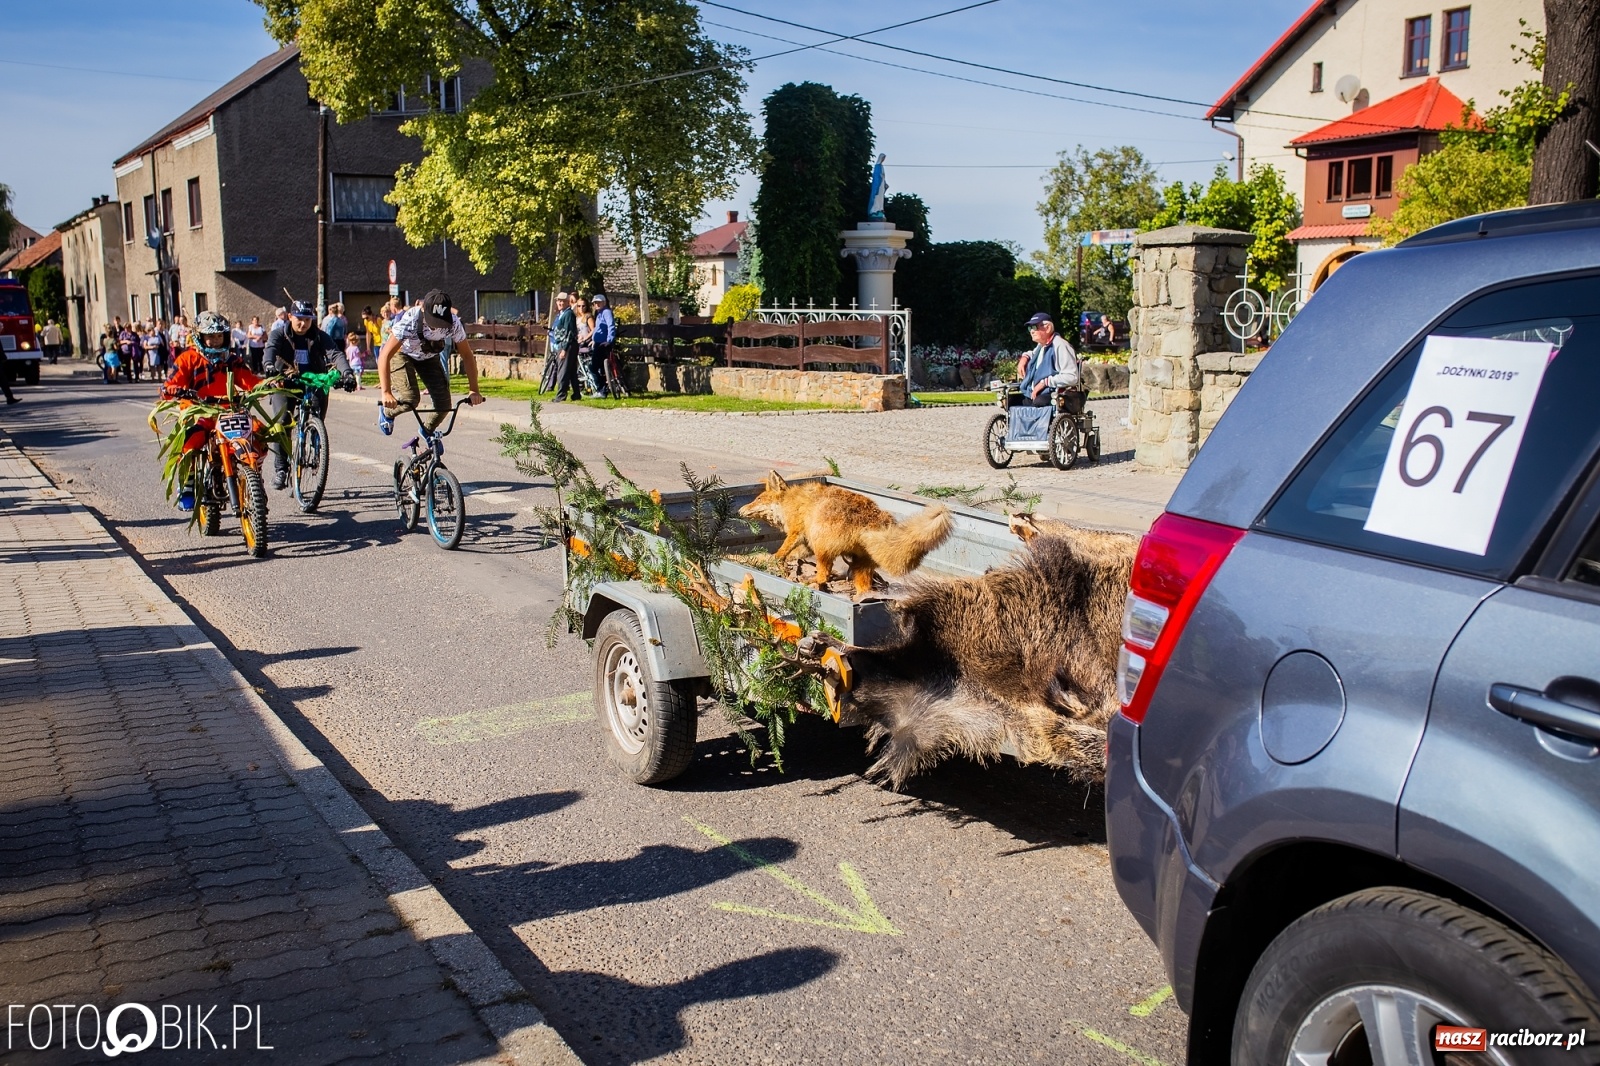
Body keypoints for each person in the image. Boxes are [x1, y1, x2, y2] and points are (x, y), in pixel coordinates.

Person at [159, 310, 264, 510]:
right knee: (191, 440)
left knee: (257, 434)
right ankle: (188, 486)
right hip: (199, 412)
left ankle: (254, 482)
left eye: (219, 336)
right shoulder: (187, 359)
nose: (215, 341)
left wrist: (268, 385)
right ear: (200, 337)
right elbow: (171, 384)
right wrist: (174, 390)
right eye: (210, 336)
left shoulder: (233, 360)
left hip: (229, 412)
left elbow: (250, 381)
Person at [263, 300, 355, 489]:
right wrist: (269, 366)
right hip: (284, 382)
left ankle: (314, 440)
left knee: (317, 416)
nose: (303, 323)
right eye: (299, 319)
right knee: (281, 423)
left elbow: (335, 354)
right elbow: (270, 350)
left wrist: (347, 373)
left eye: (307, 319)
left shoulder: (319, 336)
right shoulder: (279, 334)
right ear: (290, 317)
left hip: (314, 381)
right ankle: (281, 468)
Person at [376, 287, 484, 436]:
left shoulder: (453, 323)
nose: (436, 326)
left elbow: (467, 355)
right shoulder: (411, 319)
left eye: (440, 322)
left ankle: (427, 432)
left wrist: (474, 390)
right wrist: (386, 392)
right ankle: (387, 413)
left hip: (428, 356)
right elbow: (385, 355)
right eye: (433, 321)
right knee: (411, 399)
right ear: (423, 309)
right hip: (403, 354)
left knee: (444, 405)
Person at [1014, 312, 1082, 407]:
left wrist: (1045, 382)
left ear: (1047, 328)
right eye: (1030, 328)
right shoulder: (1041, 346)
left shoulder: (1060, 345)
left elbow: (1071, 377)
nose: (1031, 331)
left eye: (1034, 327)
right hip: (1035, 393)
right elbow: (1032, 354)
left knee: (1038, 402)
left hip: (1054, 393)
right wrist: (1024, 358)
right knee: (1011, 401)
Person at [547, 292, 580, 402]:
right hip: (564, 344)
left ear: (568, 302)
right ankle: (576, 394)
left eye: (563, 301)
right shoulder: (561, 314)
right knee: (571, 371)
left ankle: (560, 396)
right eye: (559, 301)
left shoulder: (568, 314)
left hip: (567, 345)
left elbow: (569, 332)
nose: (560, 303)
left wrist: (564, 349)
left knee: (563, 371)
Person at [590, 293, 616, 397]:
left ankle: (601, 389)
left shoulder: (606, 312)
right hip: (598, 343)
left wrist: (609, 340)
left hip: (603, 344)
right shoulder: (599, 314)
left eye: (599, 302)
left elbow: (611, 326)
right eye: (595, 303)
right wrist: (593, 339)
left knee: (593, 367)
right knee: (600, 368)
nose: (597, 304)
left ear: (604, 303)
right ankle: (604, 389)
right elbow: (598, 329)